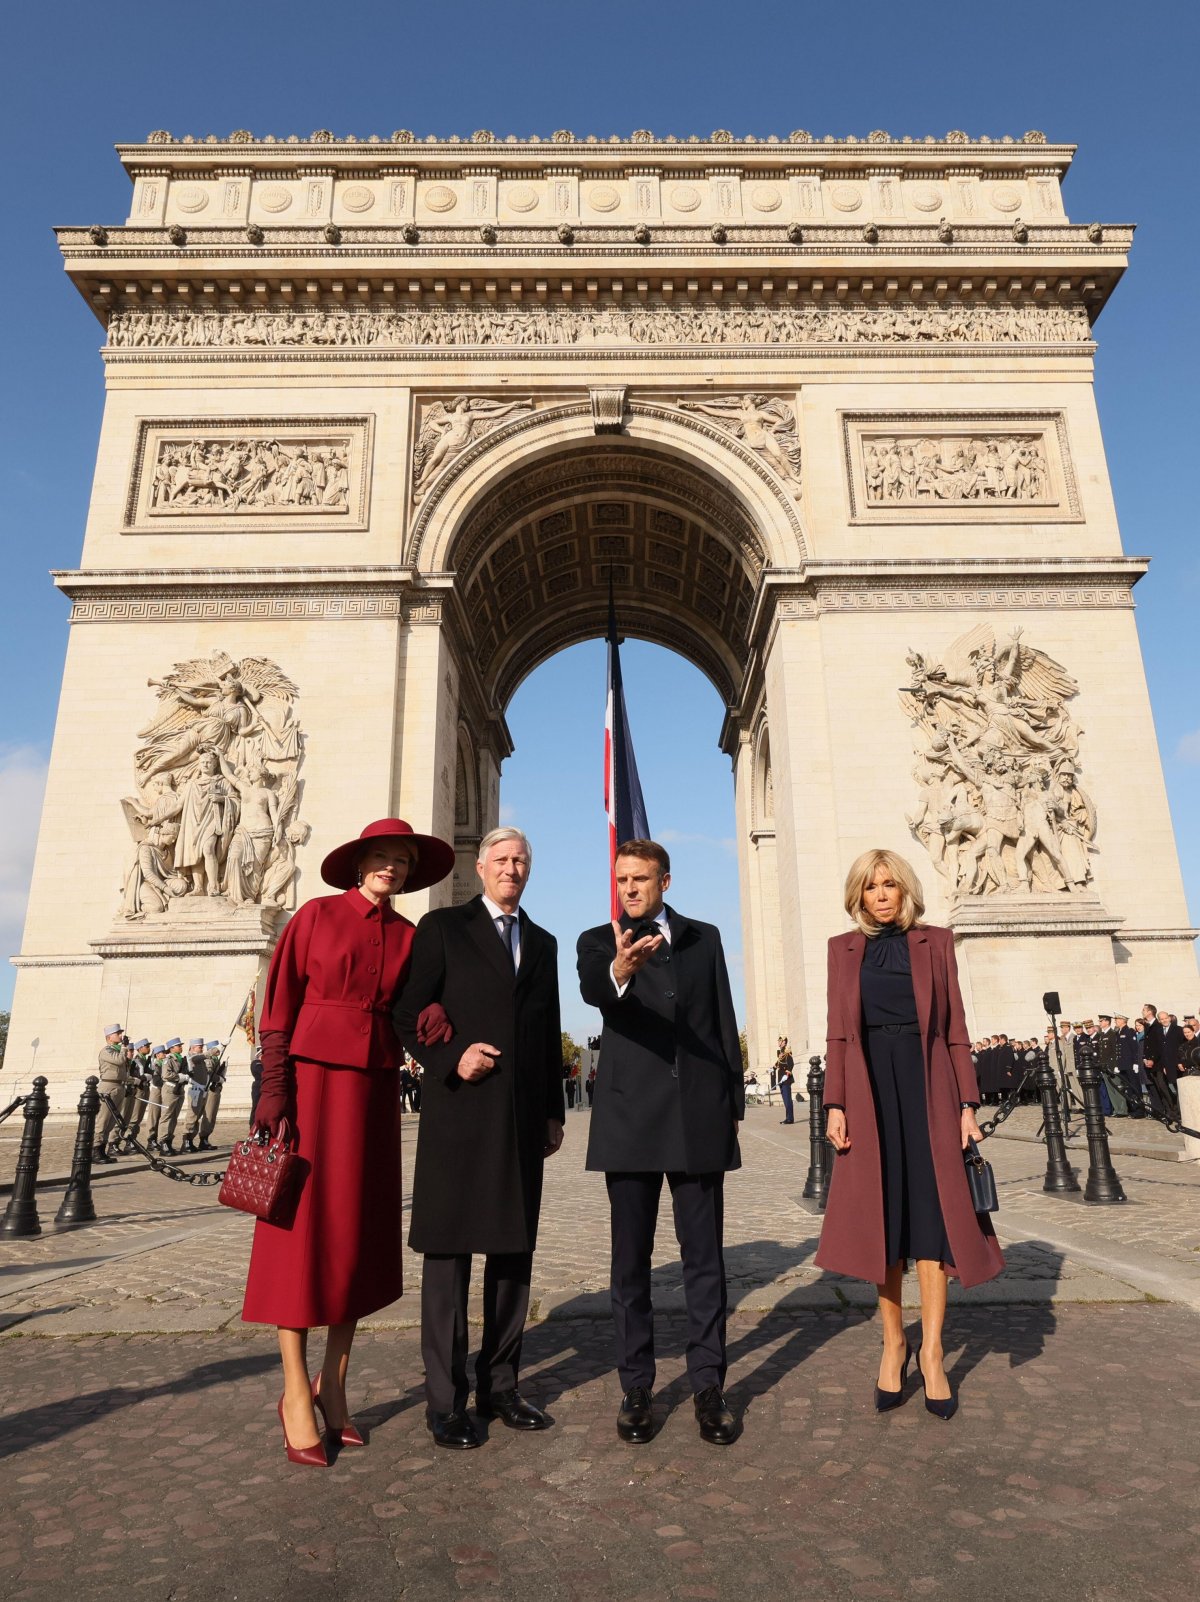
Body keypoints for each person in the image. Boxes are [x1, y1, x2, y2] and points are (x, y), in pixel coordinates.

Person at [241, 816, 456, 1468]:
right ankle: (293, 1391)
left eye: (400, 860)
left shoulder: (412, 936)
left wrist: (441, 1022)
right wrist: (273, 1088)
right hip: (310, 1087)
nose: (390, 867)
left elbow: (413, 1011)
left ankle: (334, 1382)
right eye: (381, 856)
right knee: (300, 1234)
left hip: (373, 1094)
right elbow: (277, 1006)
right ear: (360, 861)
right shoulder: (313, 917)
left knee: (354, 1236)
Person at [816, 848, 1003, 1421]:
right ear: (858, 895)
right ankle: (893, 1344)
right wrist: (836, 1101)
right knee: (885, 1221)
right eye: (871, 887)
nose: (880, 895)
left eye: (889, 885)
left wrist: (968, 1104)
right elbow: (838, 1037)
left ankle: (933, 1352)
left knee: (934, 1221)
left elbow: (956, 1031)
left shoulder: (937, 943)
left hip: (930, 1092)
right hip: (872, 1095)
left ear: (905, 891)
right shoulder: (841, 951)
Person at [394, 827, 566, 1451]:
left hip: (521, 1120)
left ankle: (501, 1387)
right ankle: (446, 1402)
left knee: (513, 1258)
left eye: (522, 860)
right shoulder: (441, 928)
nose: (512, 869)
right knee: (448, 1262)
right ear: (482, 865)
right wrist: (450, 1059)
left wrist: (553, 1112)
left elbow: (546, 1033)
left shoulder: (543, 943)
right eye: (502, 860)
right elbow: (407, 1013)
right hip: (459, 1115)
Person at [578, 839, 744, 1448]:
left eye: (640, 879)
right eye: (621, 879)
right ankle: (637, 1387)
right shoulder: (598, 940)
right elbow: (596, 988)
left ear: (665, 882)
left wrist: (730, 1096)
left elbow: (723, 1016)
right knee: (631, 1266)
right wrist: (623, 968)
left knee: (705, 1262)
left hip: (698, 1113)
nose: (628, 889)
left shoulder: (705, 937)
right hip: (630, 1120)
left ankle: (708, 1385)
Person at [93, 1024, 129, 1163]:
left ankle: (103, 1150)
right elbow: (119, 1061)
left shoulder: (118, 1050)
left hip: (119, 1086)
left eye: (120, 1033)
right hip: (109, 1086)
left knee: (112, 1121)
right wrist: (124, 1048)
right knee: (103, 1120)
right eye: (118, 1033)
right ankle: (96, 1149)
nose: (120, 1036)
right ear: (109, 1037)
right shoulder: (106, 1051)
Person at [776, 1039, 796, 1124]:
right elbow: (778, 1063)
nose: (778, 1043)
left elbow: (791, 1064)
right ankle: (788, 1117)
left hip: (786, 1079)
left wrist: (787, 1075)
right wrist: (772, 1068)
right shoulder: (781, 1053)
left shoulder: (787, 1053)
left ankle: (790, 1118)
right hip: (781, 1080)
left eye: (780, 1041)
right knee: (785, 1099)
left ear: (784, 1042)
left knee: (787, 1099)